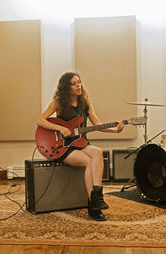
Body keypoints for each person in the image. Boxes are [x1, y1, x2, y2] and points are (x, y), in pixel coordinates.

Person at [36, 72, 124, 221]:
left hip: (81, 143)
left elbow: (97, 125)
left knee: (97, 152)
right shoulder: (58, 102)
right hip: (63, 146)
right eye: (74, 83)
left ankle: (96, 198)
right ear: (66, 87)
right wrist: (60, 128)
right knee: (88, 161)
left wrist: (115, 130)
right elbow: (40, 121)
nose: (79, 86)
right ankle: (94, 206)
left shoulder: (85, 104)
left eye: (79, 82)